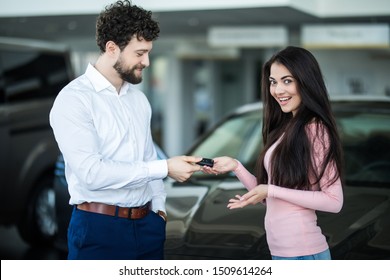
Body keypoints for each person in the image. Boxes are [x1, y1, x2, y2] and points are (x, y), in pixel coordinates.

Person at [49, 0, 202, 260]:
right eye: (140, 53)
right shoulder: (74, 99)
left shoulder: (139, 100)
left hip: (148, 227)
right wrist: (165, 168)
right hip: (98, 229)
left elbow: (147, 157)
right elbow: (91, 173)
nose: (148, 61)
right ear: (111, 48)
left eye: (149, 52)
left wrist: (159, 209)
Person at [203, 46, 344, 260]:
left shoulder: (315, 130)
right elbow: (270, 198)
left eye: (287, 81)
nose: (278, 90)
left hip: (305, 256)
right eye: (273, 82)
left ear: (306, 81)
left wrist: (271, 190)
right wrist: (236, 167)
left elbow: (334, 202)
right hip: (282, 254)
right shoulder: (287, 128)